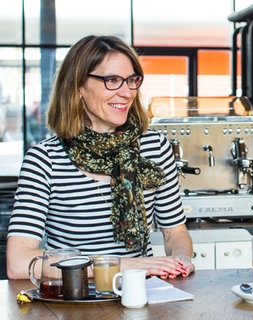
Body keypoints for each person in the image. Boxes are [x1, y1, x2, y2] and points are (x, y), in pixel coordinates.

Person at [6, 35, 195, 280]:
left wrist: (181, 259)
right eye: (112, 80)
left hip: (142, 294)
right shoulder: (45, 160)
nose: (127, 92)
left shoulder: (155, 147)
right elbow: (19, 263)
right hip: (75, 301)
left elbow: (175, 233)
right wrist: (121, 266)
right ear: (78, 87)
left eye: (131, 80)